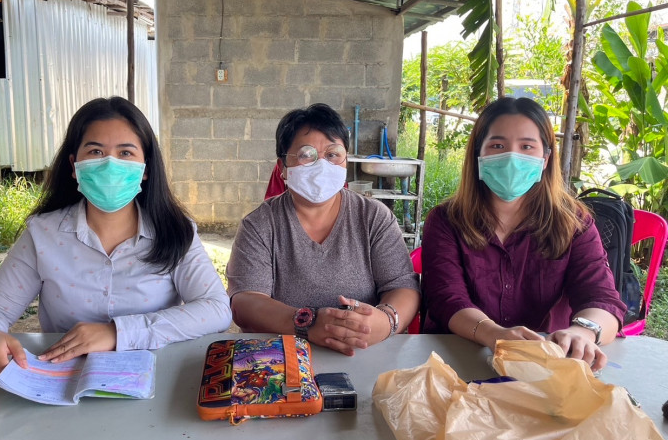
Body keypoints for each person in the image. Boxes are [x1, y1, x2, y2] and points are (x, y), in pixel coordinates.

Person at [0, 97, 232, 377]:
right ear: (74, 165)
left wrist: (118, 333)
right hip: (63, 381)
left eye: (125, 153)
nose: (109, 165)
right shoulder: (43, 234)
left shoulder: (175, 232)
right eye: (95, 151)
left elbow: (216, 309)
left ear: (146, 168)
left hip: (153, 381)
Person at [421, 97, 626, 369]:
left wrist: (583, 332)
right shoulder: (446, 221)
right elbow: (446, 298)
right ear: (478, 155)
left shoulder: (573, 223)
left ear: (545, 159)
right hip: (457, 363)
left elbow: (602, 298)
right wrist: (494, 334)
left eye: (527, 146)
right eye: (497, 145)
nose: (512, 158)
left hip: (548, 367)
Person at [227, 103, 420, 356]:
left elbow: (403, 286)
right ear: (283, 167)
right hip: (282, 358)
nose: (321, 165)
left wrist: (385, 321)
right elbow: (245, 301)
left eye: (332, 154)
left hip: (364, 353)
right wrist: (306, 323)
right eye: (306, 154)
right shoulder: (260, 225)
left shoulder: (373, 217)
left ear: (346, 160)